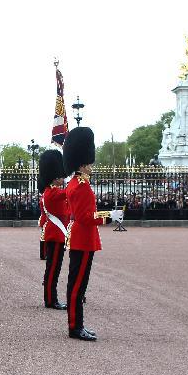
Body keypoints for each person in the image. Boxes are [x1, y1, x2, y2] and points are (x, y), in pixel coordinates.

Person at [63, 127, 122, 341]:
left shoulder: (76, 184)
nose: (91, 166)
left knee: (78, 285)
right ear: (82, 163)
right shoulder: (81, 187)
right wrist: (111, 216)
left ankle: (76, 324)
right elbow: (86, 217)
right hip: (83, 238)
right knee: (78, 285)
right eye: (89, 163)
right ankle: (75, 327)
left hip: (81, 237)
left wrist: (107, 214)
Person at [38, 149, 68, 311]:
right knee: (53, 269)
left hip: (55, 233)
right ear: (55, 176)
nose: (63, 179)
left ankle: (51, 297)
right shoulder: (53, 192)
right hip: (56, 234)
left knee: (53, 268)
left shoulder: (49, 192)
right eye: (61, 176)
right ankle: (51, 299)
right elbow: (69, 193)